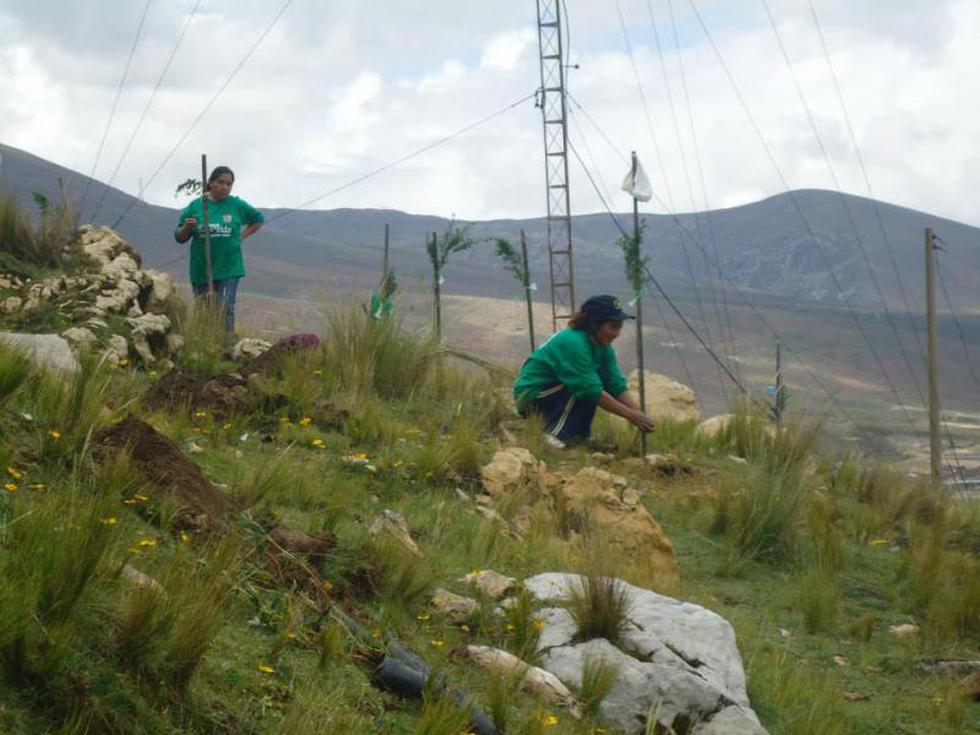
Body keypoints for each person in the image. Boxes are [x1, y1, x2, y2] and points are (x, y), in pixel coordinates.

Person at [513, 294, 655, 448]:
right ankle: (553, 433)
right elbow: (590, 390)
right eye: (612, 327)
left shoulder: (603, 347)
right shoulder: (574, 343)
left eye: (619, 327)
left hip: (551, 393)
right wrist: (631, 416)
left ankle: (580, 435)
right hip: (531, 397)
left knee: (593, 382)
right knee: (585, 387)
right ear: (594, 324)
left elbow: (615, 383)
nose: (617, 333)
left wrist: (638, 412)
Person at [174, 166, 264, 334]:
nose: (225, 187)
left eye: (229, 184)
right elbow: (179, 237)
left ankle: (226, 343)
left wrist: (242, 237)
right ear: (211, 183)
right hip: (202, 267)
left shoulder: (236, 205)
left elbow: (258, 219)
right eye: (221, 182)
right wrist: (187, 226)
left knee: (226, 306)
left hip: (229, 265)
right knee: (205, 309)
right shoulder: (196, 206)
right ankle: (206, 343)